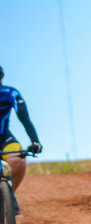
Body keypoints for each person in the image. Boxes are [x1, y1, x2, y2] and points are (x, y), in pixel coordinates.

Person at [0, 65, 43, 215]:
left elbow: (24, 118)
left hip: (4, 136)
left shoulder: (10, 93)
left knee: (20, 160)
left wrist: (35, 141)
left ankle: (7, 195)